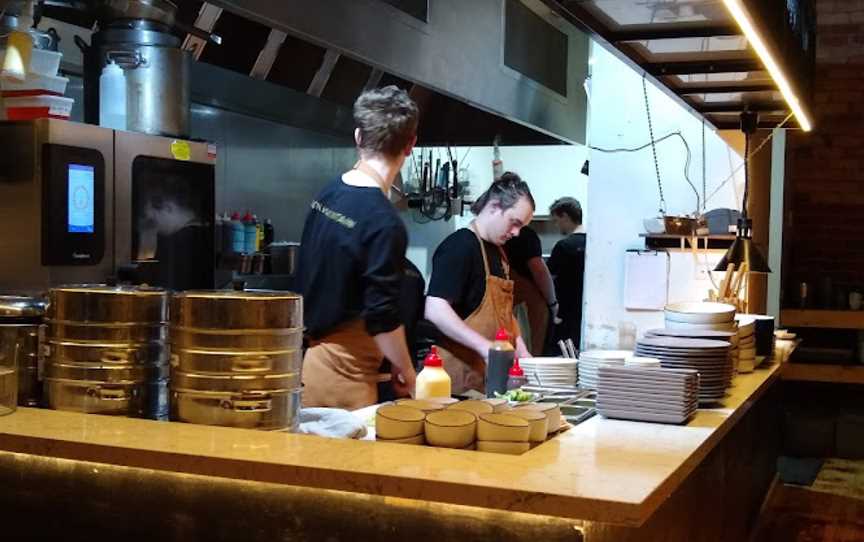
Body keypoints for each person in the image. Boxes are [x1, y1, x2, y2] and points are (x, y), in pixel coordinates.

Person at [297, 86, 420, 410]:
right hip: (346, 382)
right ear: (410, 145)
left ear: (358, 136)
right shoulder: (383, 221)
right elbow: (382, 316)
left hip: (310, 369)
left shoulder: (328, 195)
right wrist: (406, 368)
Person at [425, 172, 533, 394]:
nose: (516, 233)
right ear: (494, 207)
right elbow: (435, 309)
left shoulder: (500, 253)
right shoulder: (460, 246)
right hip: (458, 383)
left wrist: (523, 354)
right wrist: (484, 348)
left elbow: (503, 313)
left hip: (490, 379)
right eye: (514, 223)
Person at [138, 174, 213, 291]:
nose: (148, 214)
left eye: (152, 208)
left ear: (169, 207)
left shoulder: (177, 243)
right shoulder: (205, 233)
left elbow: (164, 291)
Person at [505, 225, 558, 356]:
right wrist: (552, 303)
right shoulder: (525, 234)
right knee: (530, 353)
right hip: (528, 306)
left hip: (505, 303)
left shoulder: (486, 236)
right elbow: (539, 270)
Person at [547, 197, 586, 350]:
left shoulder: (564, 246)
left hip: (565, 314)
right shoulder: (593, 242)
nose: (557, 226)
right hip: (584, 313)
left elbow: (549, 276)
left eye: (557, 220)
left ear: (565, 216)